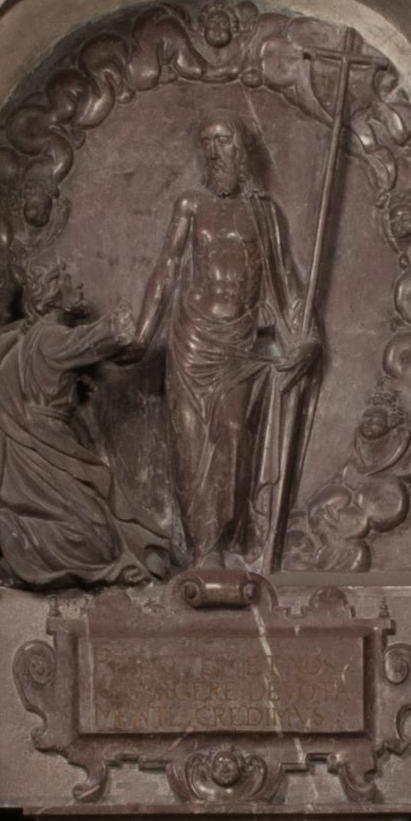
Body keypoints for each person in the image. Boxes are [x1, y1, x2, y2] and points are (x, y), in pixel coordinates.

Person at [135, 117, 317, 572]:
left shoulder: (265, 214)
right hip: (193, 341)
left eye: (223, 141)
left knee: (233, 437)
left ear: (243, 149)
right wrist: (142, 332)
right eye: (207, 143)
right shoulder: (191, 204)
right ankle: (205, 553)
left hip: (239, 344)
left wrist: (309, 337)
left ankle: (227, 536)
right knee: (190, 441)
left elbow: (289, 283)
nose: (214, 152)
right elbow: (167, 267)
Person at [0, 262, 168, 589]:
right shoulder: (51, 338)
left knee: (100, 521)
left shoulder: (27, 340)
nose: (79, 287)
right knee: (95, 537)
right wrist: (133, 311)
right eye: (70, 281)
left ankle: (7, 549)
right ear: (54, 294)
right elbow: (108, 338)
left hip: (33, 446)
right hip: (42, 448)